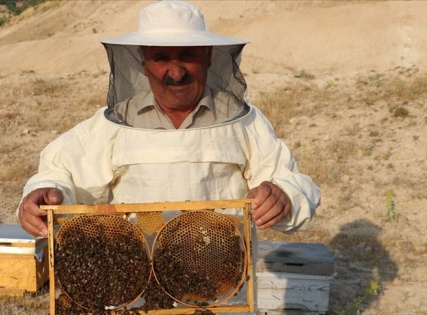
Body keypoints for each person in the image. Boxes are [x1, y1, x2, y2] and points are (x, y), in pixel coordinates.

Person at [18, 0, 320, 238]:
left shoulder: (244, 123)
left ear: (208, 58)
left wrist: (284, 196)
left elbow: (294, 183)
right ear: (143, 63)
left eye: (187, 55)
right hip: (136, 285)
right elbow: (61, 172)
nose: (175, 73)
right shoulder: (112, 125)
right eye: (161, 57)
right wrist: (44, 194)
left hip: (224, 285)